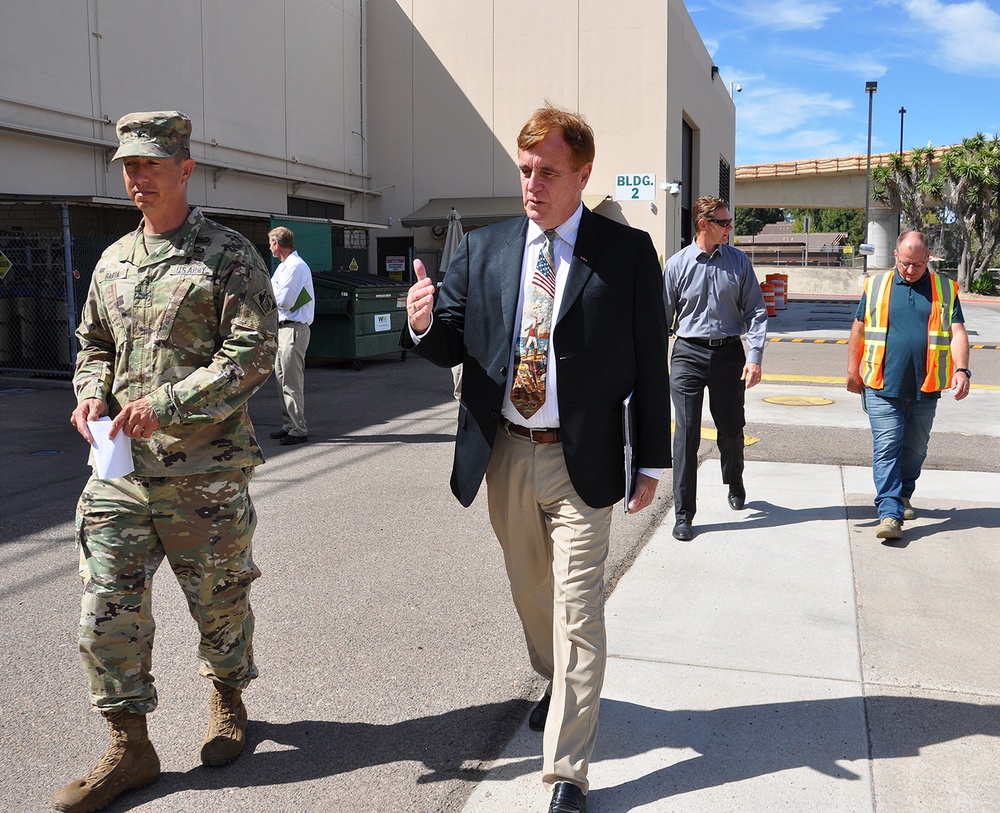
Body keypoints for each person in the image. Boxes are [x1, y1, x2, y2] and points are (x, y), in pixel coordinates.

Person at [401, 106, 671, 813]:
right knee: (532, 597)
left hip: (582, 462)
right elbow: (451, 341)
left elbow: (651, 359)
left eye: (548, 171)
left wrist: (652, 458)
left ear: (582, 174)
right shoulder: (484, 249)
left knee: (578, 608)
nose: (533, 183)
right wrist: (424, 321)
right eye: (525, 170)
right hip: (506, 456)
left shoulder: (626, 251)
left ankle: (566, 773)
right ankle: (554, 678)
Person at [56, 111, 278, 813]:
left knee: (220, 600)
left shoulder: (228, 255)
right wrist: (90, 395)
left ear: (186, 168)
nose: (136, 176)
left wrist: (169, 405)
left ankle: (227, 698)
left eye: (150, 164)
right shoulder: (113, 260)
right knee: (104, 610)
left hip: (203, 472)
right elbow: (91, 346)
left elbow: (251, 355)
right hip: (119, 472)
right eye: (127, 165)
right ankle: (130, 744)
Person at [847, 230, 970, 540]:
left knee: (915, 450)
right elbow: (859, 329)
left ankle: (903, 494)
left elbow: (956, 332)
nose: (911, 270)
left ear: (928, 258)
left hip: (926, 387)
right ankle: (889, 513)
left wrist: (962, 370)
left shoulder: (944, 289)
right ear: (895, 258)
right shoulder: (876, 286)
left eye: (918, 264)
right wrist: (852, 371)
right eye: (905, 263)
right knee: (887, 447)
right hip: (881, 385)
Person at [663, 196, 767, 541]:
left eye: (730, 221)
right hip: (688, 355)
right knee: (686, 434)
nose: (730, 228)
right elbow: (662, 319)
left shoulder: (738, 263)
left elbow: (755, 312)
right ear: (703, 224)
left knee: (732, 429)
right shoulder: (677, 266)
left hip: (728, 355)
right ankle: (683, 514)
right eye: (724, 223)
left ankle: (734, 480)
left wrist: (754, 357)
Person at [267, 226, 315, 445]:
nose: (270, 247)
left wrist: (273, 297)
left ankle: (298, 428)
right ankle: (289, 424)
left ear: (277, 243)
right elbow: (275, 296)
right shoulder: (285, 267)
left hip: (293, 328)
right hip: (284, 328)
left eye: (270, 243)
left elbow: (282, 301)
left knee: (291, 380)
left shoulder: (295, 267)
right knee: (281, 379)